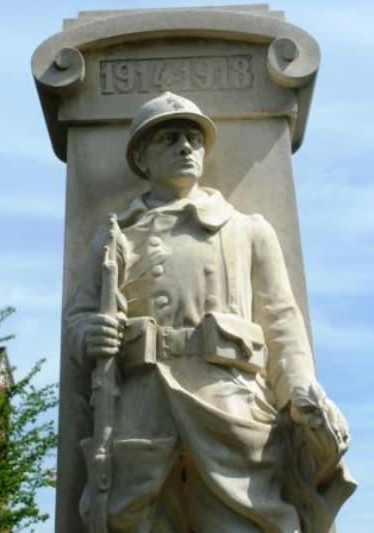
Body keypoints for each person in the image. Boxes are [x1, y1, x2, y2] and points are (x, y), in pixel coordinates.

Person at [66, 92, 355, 532]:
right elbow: (82, 315)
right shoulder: (114, 235)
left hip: (229, 400)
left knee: (241, 521)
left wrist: (300, 392)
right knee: (131, 520)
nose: (186, 147)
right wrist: (91, 333)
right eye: (169, 138)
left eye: (193, 138)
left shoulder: (247, 229)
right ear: (142, 157)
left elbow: (281, 322)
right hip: (142, 403)